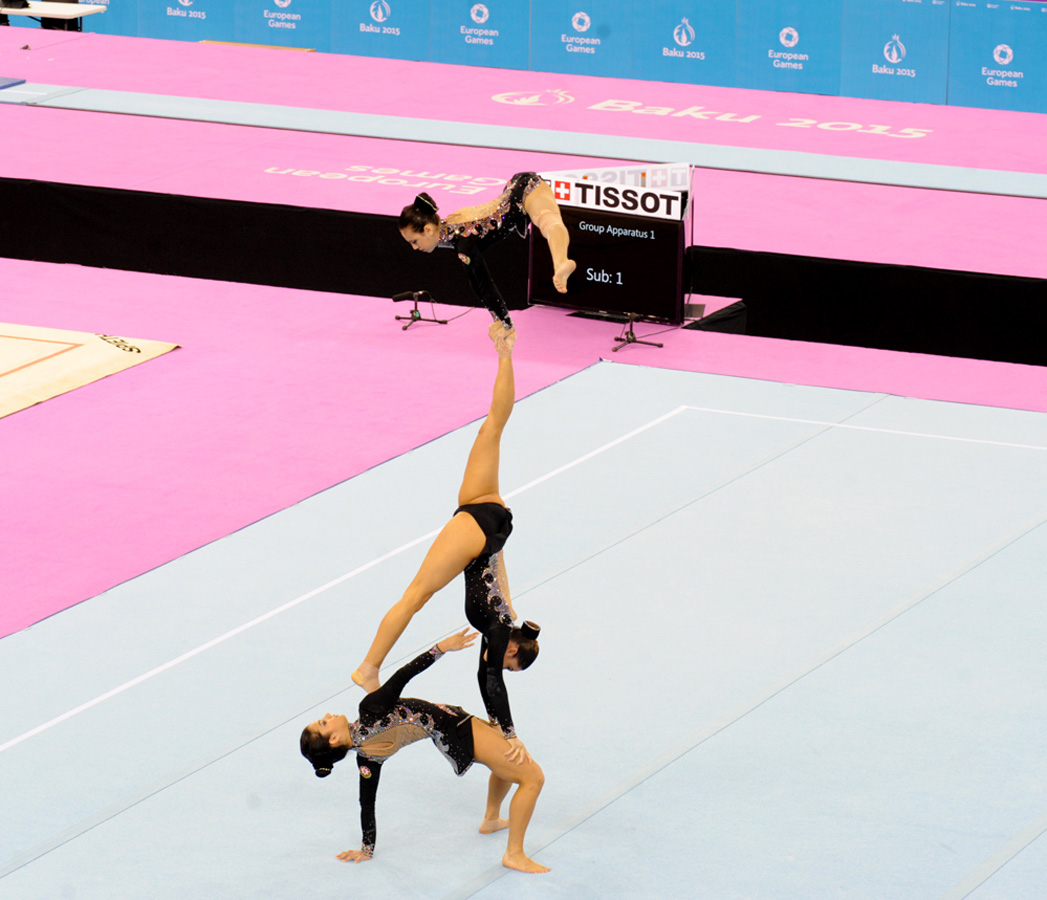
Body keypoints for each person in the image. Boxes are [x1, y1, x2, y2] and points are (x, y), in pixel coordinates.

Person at [352, 322, 537, 765]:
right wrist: (509, 732)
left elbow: (486, 673)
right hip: (479, 528)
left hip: (487, 521)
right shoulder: (496, 627)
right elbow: (490, 682)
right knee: (416, 595)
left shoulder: (503, 620)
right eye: (509, 663)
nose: (499, 665)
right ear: (511, 649)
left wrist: (496, 545)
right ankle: (369, 666)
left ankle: (505, 354)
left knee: (494, 427)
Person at [301, 628, 549, 873]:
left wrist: (367, 849)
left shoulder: (367, 759)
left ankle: (491, 819)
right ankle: (514, 854)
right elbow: (404, 674)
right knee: (532, 777)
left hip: (450, 731)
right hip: (455, 729)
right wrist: (442, 647)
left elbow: (366, 804)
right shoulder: (369, 710)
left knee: (505, 758)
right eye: (323, 723)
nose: (327, 715)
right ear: (333, 739)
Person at [398, 172, 576, 329]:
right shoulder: (451, 232)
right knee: (548, 221)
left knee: (548, 221)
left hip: (526, 189)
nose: (414, 247)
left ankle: (561, 263)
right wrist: (498, 319)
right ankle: (560, 264)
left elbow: (484, 283)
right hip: (513, 191)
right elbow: (477, 282)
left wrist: (504, 323)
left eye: (414, 241)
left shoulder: (462, 242)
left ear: (428, 230)